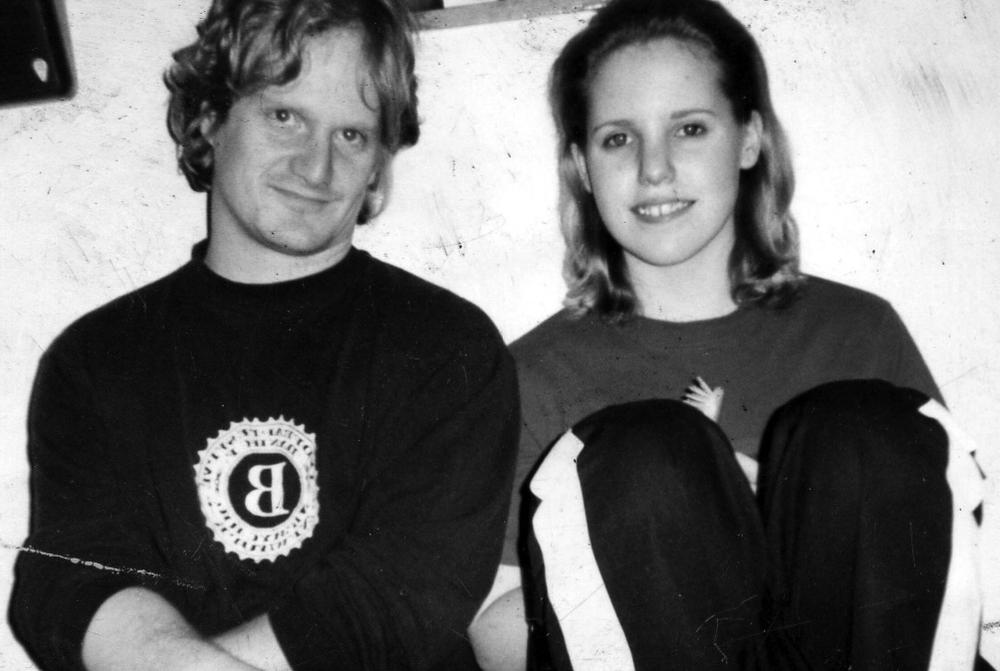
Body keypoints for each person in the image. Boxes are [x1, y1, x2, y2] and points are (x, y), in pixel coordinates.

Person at [468, 0, 990, 669]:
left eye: (689, 128)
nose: (654, 169)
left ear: (748, 138)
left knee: (861, 430)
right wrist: (674, 546)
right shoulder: (532, 374)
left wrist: (783, 514)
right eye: (618, 138)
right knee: (640, 459)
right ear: (581, 164)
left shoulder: (858, 331)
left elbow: (944, 581)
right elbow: (492, 631)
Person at [9, 1, 519, 669]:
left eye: (353, 135)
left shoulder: (449, 347)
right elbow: (74, 585)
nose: (317, 167)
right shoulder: (96, 359)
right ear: (210, 118)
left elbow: (395, 601)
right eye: (285, 116)